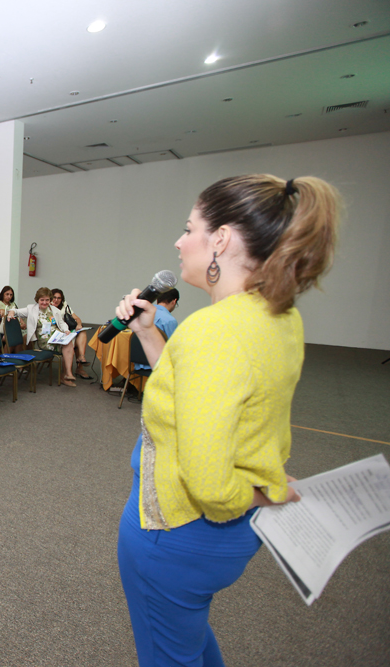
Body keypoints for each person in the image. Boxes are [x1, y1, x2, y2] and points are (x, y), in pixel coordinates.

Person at [115, 174, 339, 667]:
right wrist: (151, 336)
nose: (179, 241)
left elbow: (212, 489)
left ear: (221, 239)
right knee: (188, 640)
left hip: (175, 532)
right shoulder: (279, 316)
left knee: (169, 652)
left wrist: (274, 491)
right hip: (233, 534)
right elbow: (201, 396)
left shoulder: (211, 330)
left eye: (189, 227)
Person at [7, 287, 79, 386]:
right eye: (42, 300)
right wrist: (11, 312)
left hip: (56, 336)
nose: (45, 302)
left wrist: (66, 330)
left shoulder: (54, 310)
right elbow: (15, 311)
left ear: (50, 300)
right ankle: (66, 374)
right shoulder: (31, 309)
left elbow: (62, 323)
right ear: (37, 300)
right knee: (67, 345)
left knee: (68, 342)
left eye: (47, 300)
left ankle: (67, 374)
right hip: (45, 340)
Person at [50, 288, 90, 379]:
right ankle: (69, 371)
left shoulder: (65, 305)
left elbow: (77, 318)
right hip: (57, 334)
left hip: (68, 331)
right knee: (73, 343)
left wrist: (79, 324)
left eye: (59, 298)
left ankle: (81, 357)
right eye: (54, 297)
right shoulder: (47, 307)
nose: (56, 300)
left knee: (82, 332)